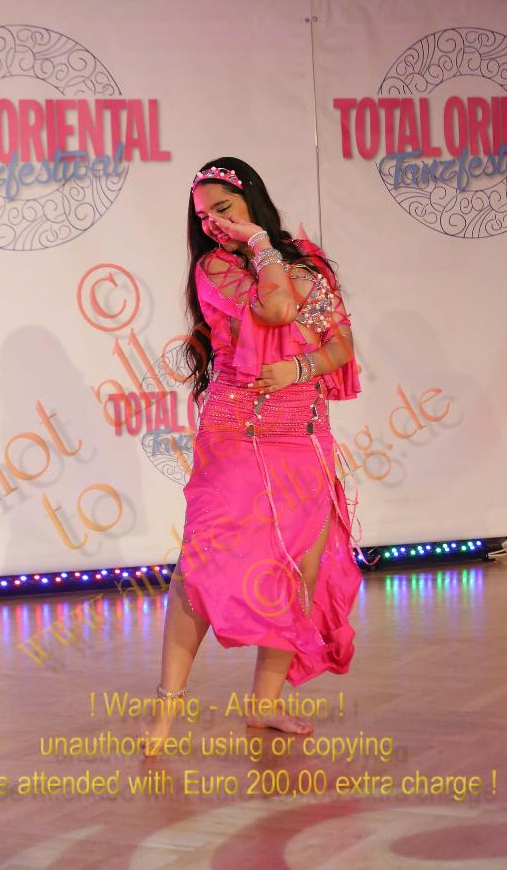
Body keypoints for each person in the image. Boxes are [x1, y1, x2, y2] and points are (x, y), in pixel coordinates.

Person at [140, 157, 364, 753]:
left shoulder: (307, 262)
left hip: (302, 435)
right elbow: (277, 310)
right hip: (236, 433)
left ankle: (264, 706)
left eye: (223, 209)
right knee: (200, 569)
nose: (213, 223)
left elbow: (341, 343)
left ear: (251, 200)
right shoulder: (216, 266)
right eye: (203, 216)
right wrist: (258, 243)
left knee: (299, 571)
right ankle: (165, 709)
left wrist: (301, 368)